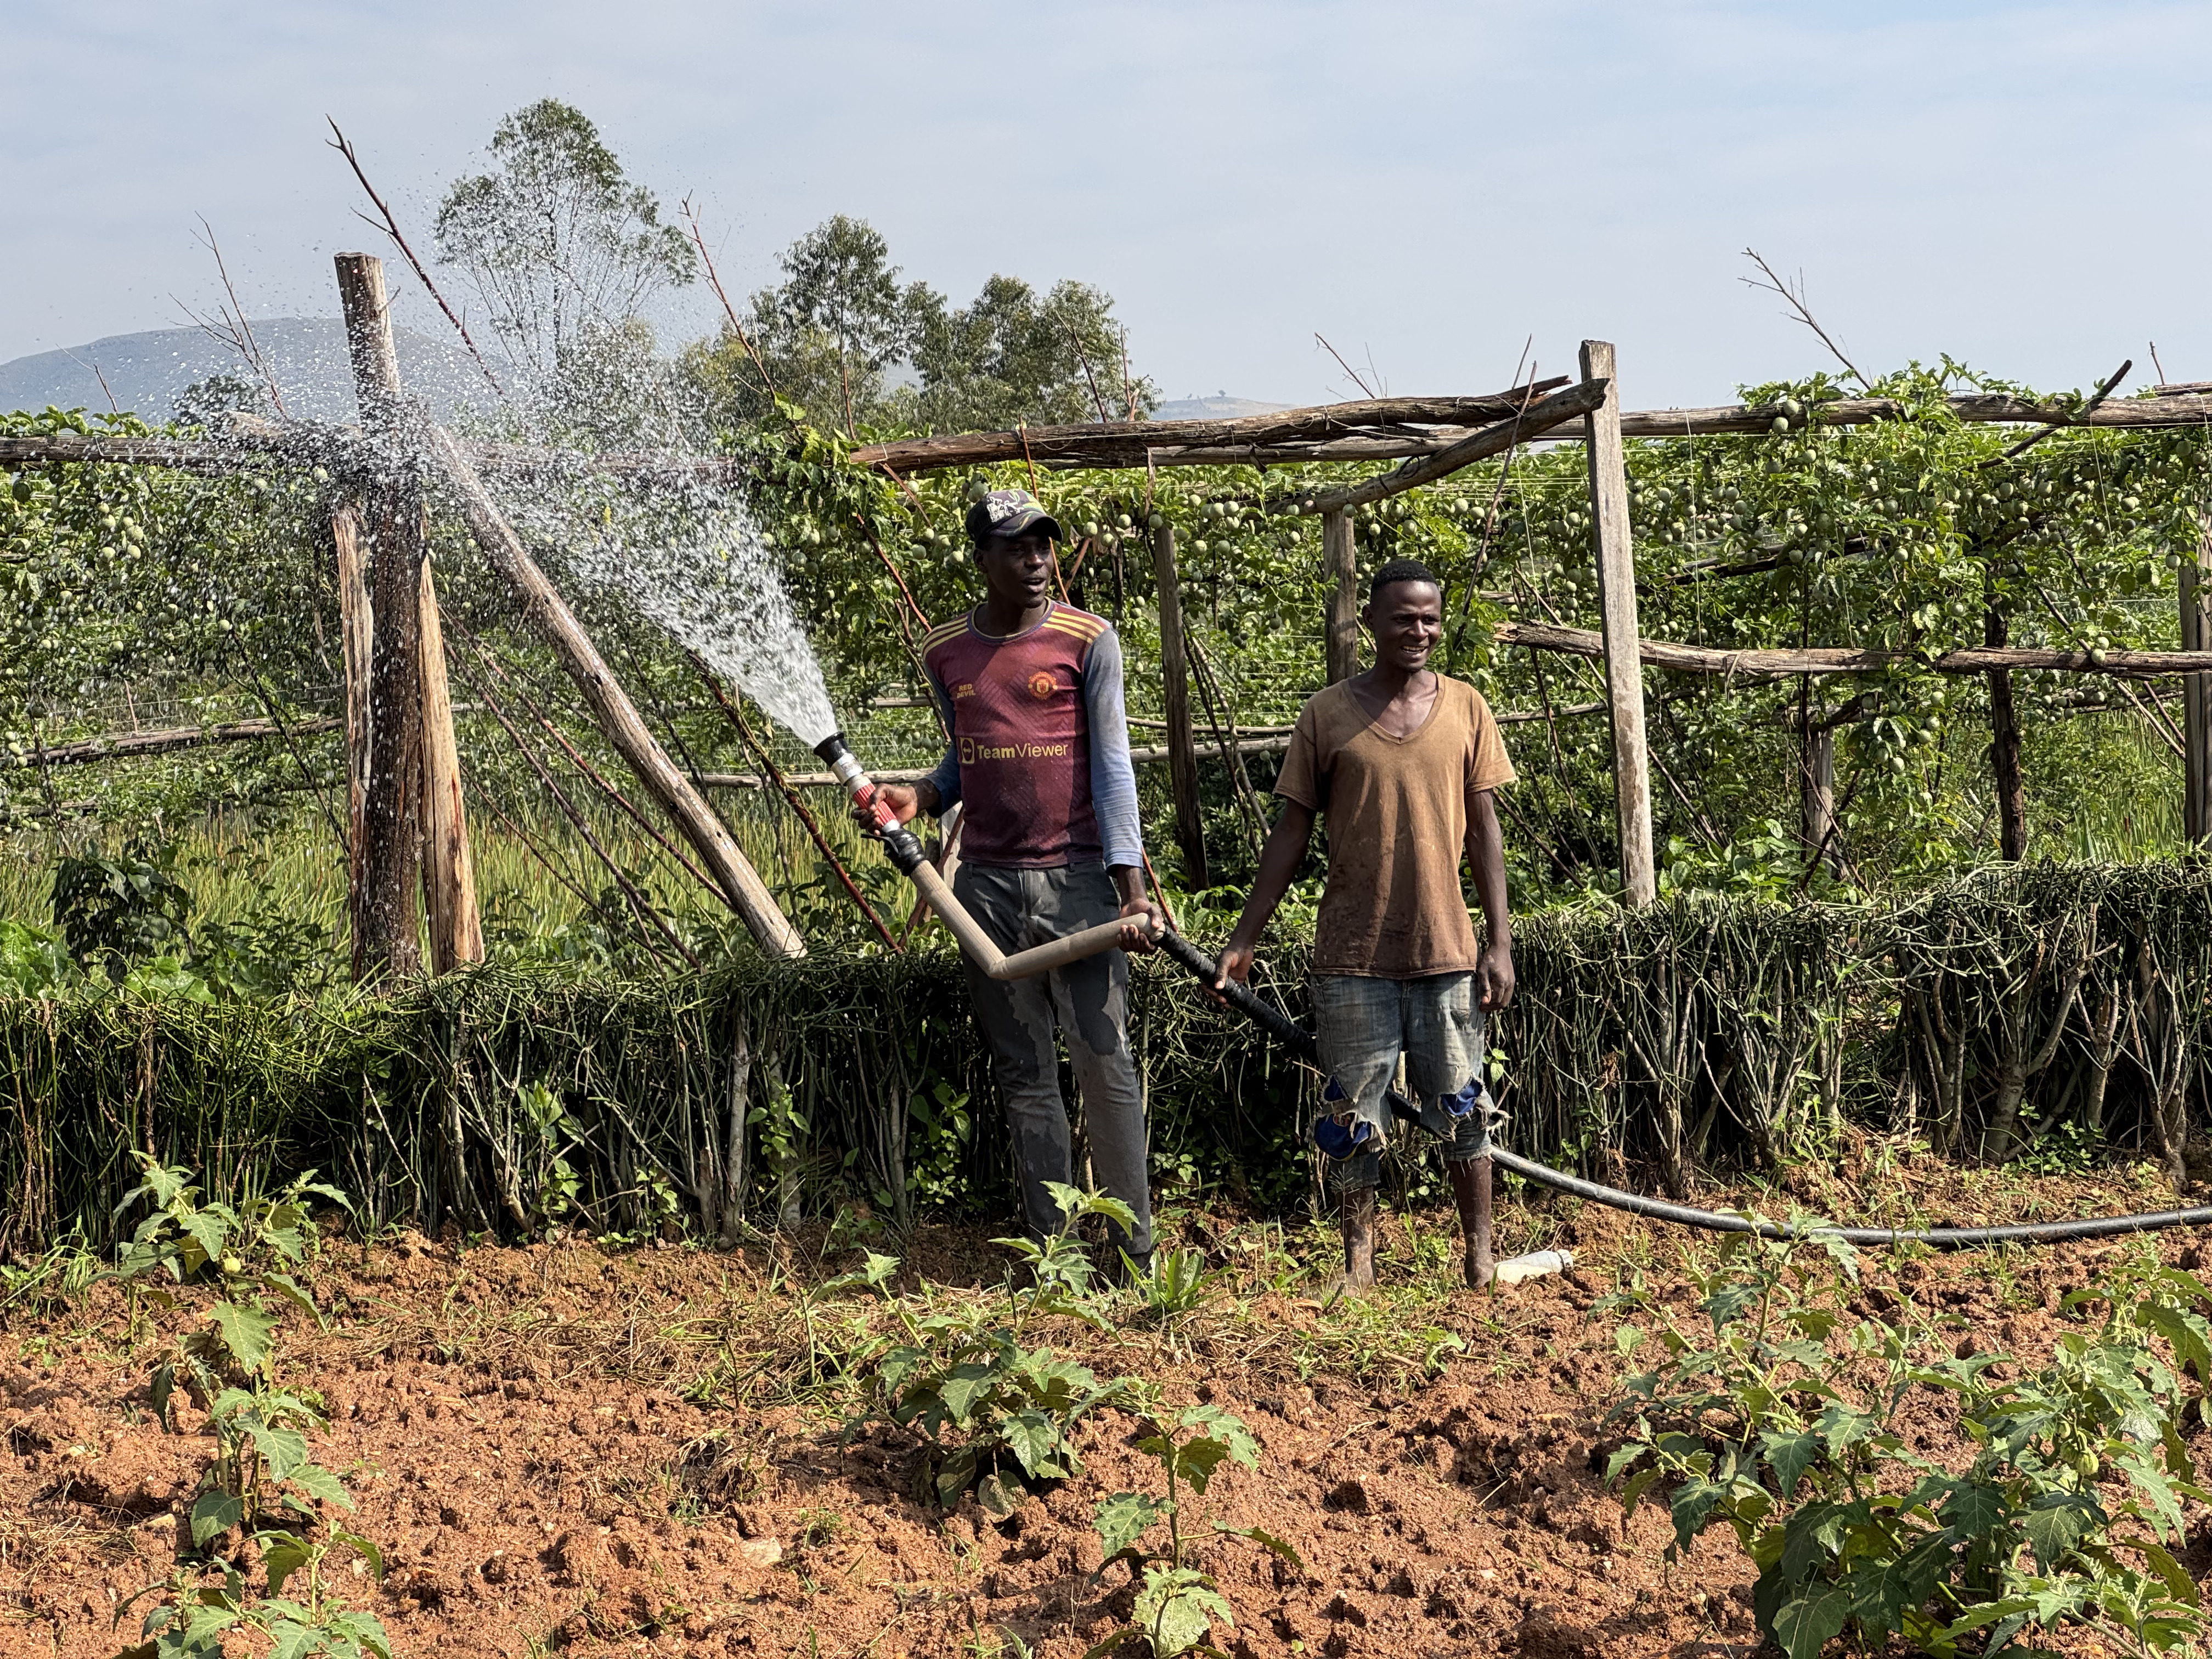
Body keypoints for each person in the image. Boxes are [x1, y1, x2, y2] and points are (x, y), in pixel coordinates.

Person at [859, 487, 1160, 1271]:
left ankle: (1135, 1258)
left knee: (1105, 1064)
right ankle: (1053, 1261)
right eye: (1017, 547)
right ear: (983, 557)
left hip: (1080, 886)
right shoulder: (946, 651)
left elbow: (1113, 768)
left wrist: (1130, 888)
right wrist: (920, 796)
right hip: (986, 886)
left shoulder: (1088, 640)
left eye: (1043, 545)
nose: (1035, 561)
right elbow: (970, 755)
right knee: (1025, 1075)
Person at [1214, 557, 1515, 1293]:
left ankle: (1479, 1258)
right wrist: (1244, 938)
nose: (1419, 630)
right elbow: (1290, 832)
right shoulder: (1328, 715)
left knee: (1465, 1107)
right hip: (1351, 956)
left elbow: (1485, 834)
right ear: (1371, 624)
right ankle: (1359, 1266)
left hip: (1445, 950)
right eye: (1404, 617)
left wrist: (1499, 942)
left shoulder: (1467, 708)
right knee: (1353, 1114)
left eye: (1430, 617)